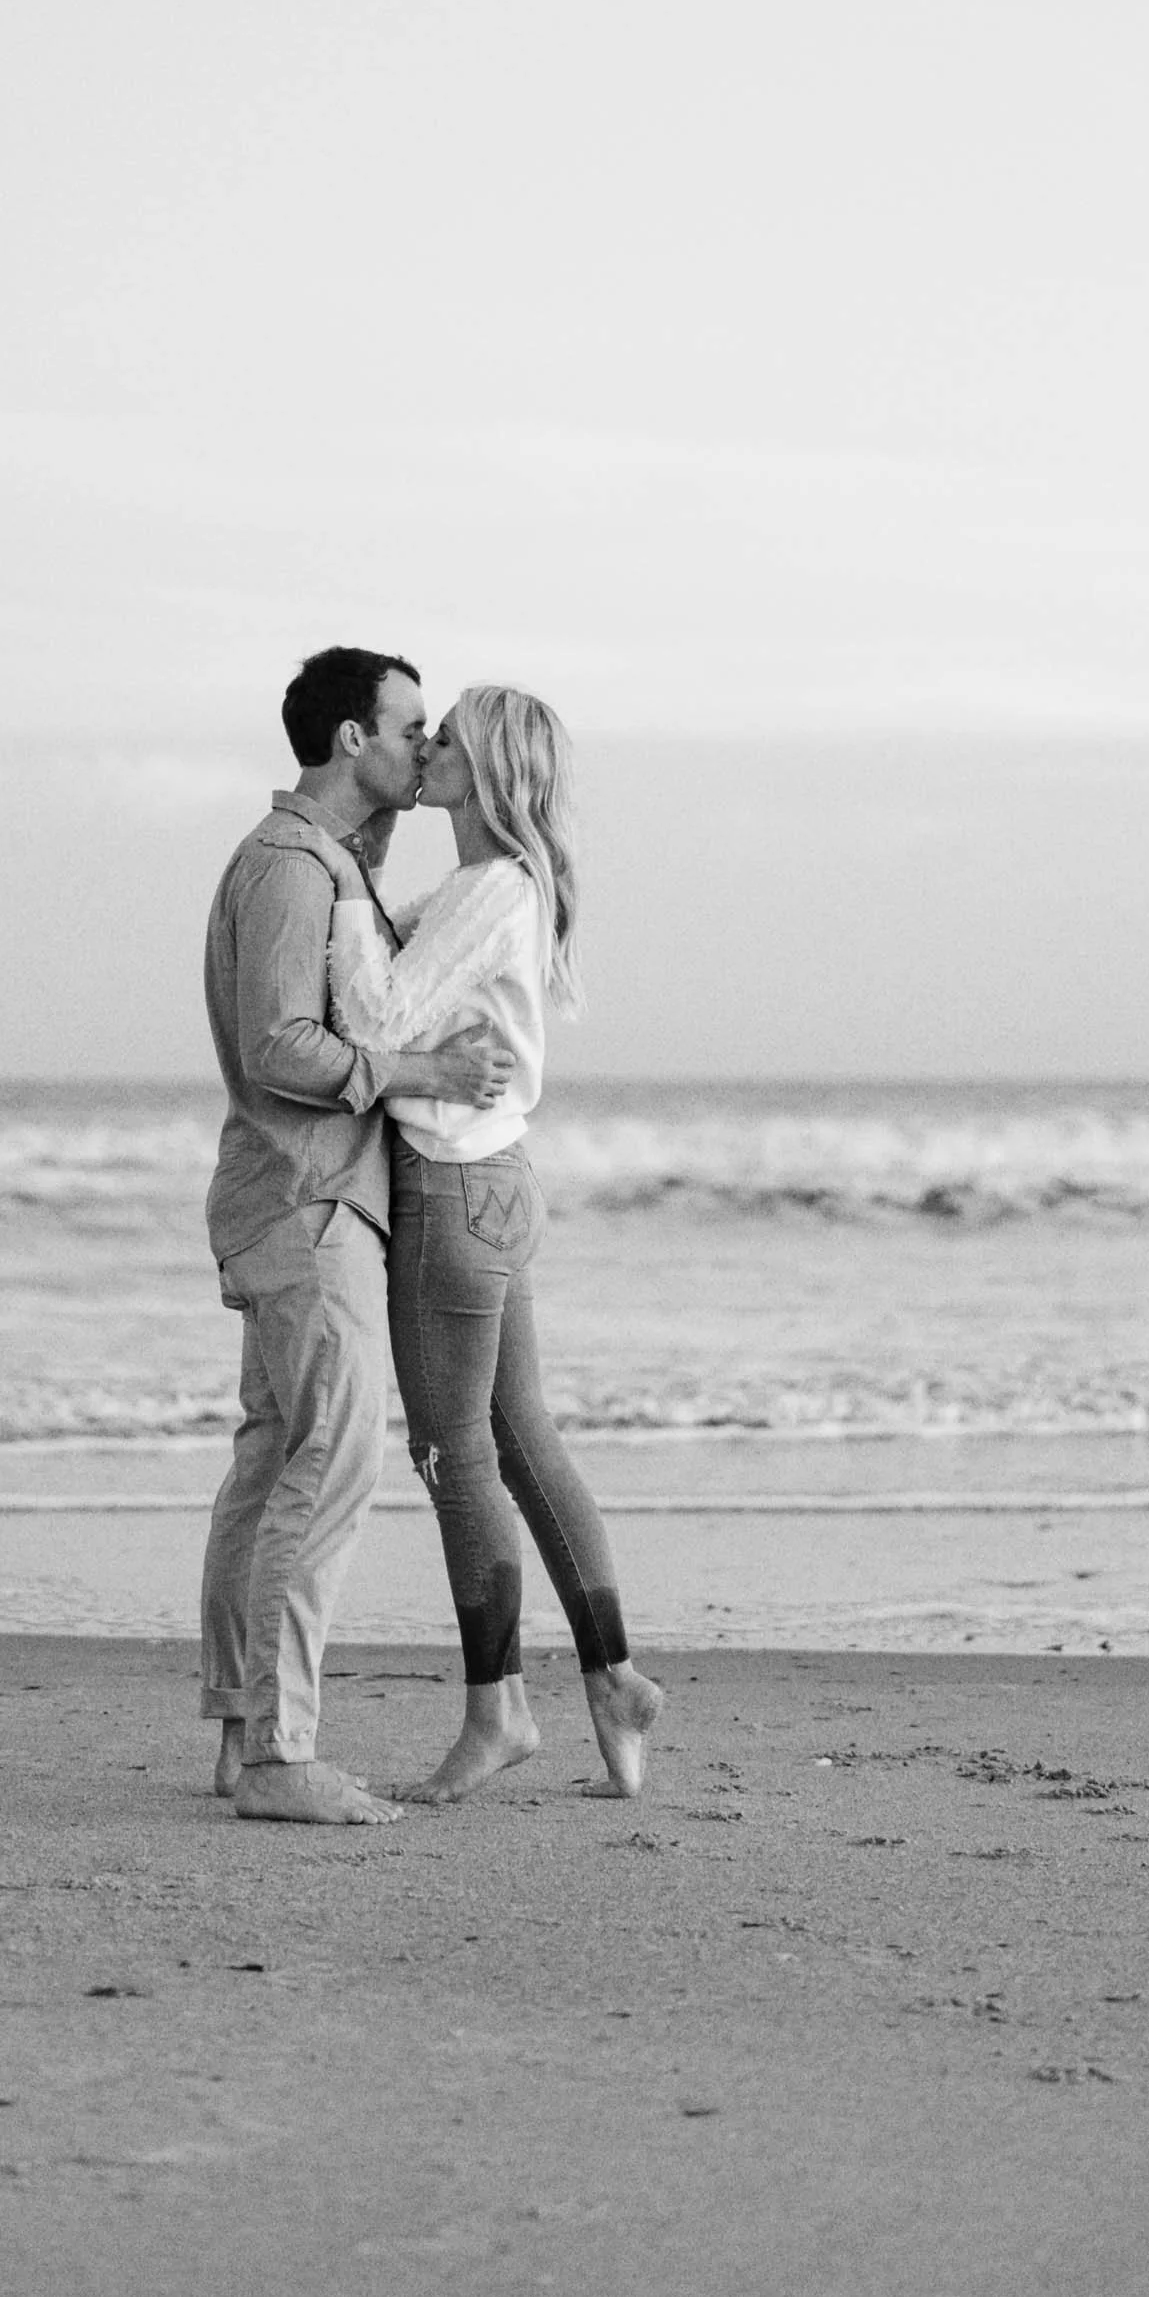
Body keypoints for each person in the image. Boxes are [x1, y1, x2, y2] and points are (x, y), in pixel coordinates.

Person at [325, 684, 664, 1804]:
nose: (424, 746)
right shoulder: (493, 887)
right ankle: (612, 1679)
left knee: (454, 1455)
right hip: (503, 1182)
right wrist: (359, 884)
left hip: (454, 1189)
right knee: (522, 1439)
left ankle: (498, 1707)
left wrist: (326, 886)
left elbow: (374, 1017)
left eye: (445, 735)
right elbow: (400, 955)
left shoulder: (487, 889)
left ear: (483, 771)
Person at [198, 645, 516, 1826]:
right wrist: (422, 1068)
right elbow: (280, 1041)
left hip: (297, 1196)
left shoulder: (327, 859)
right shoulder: (287, 866)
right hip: (306, 1198)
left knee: (277, 1458)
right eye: (409, 726)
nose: (423, 747)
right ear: (349, 738)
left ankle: (244, 1736)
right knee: (329, 1461)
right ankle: (279, 1750)